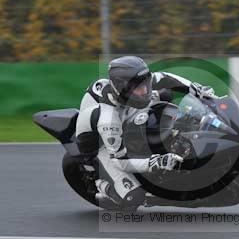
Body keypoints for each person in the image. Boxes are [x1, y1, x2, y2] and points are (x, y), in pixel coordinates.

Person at [75, 56, 215, 210]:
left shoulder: (133, 82)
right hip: (100, 144)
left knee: (165, 95)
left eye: (146, 84)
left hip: (126, 112)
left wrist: (198, 90)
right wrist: (156, 162)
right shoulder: (108, 120)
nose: (145, 91)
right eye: (139, 88)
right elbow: (121, 161)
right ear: (123, 89)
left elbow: (165, 79)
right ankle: (102, 186)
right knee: (132, 198)